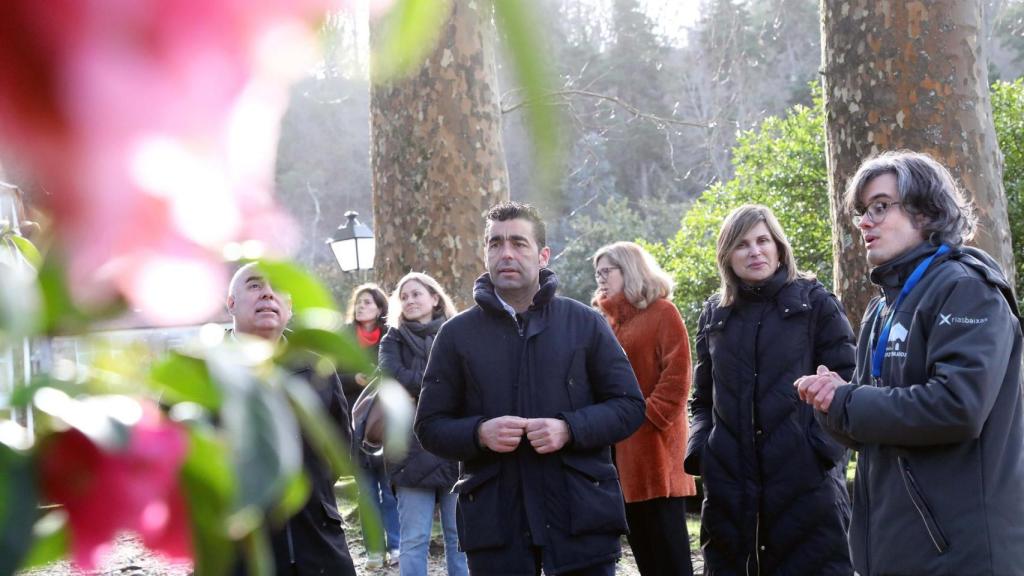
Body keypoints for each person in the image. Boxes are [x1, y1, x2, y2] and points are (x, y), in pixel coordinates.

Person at [795, 151, 1024, 575]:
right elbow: (873, 423)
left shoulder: (968, 290)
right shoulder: (882, 308)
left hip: (959, 556)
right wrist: (833, 403)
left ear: (927, 211)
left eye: (881, 206)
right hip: (896, 549)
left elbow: (959, 407)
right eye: (864, 211)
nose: (865, 221)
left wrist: (850, 401)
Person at [415, 201, 645, 576]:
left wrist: (569, 428)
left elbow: (630, 406)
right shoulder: (455, 335)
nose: (506, 253)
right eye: (495, 243)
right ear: (485, 251)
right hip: (495, 526)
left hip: (580, 520)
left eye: (518, 243)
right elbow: (429, 426)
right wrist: (478, 433)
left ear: (542, 255)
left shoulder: (585, 323)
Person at [684, 205, 855, 575]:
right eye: (742, 244)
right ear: (727, 254)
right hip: (730, 492)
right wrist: (704, 453)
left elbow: (848, 384)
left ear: (779, 247)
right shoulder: (715, 312)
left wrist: (820, 453)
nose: (755, 251)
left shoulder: (816, 303)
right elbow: (702, 397)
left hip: (807, 490)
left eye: (763, 240)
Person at [226, 262, 357, 576]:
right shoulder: (201, 370)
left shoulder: (317, 368)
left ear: (290, 306)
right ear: (230, 302)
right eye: (255, 285)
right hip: (238, 550)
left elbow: (340, 449)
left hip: (317, 542)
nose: (268, 294)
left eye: (277, 288)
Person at [592, 241, 695, 576]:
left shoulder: (663, 312)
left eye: (607, 271)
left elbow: (678, 377)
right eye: (598, 274)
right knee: (645, 555)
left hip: (657, 450)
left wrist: (641, 417)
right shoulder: (608, 324)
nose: (601, 279)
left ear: (629, 269)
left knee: (672, 559)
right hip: (621, 456)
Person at [378, 272, 467, 576]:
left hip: (456, 448)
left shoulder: (456, 332)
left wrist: (424, 391)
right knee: (414, 539)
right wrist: (441, 388)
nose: (410, 301)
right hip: (409, 450)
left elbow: (467, 380)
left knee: (460, 539)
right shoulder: (391, 338)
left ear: (435, 297)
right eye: (403, 297)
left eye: (416, 294)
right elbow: (392, 377)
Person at [340, 283, 401, 569]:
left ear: (380, 308)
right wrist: (355, 380)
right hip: (354, 427)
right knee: (366, 493)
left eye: (368, 302)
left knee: (390, 490)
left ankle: (397, 545)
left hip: (386, 425)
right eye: (358, 302)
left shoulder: (392, 337)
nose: (361, 306)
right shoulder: (342, 338)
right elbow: (328, 375)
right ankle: (373, 551)